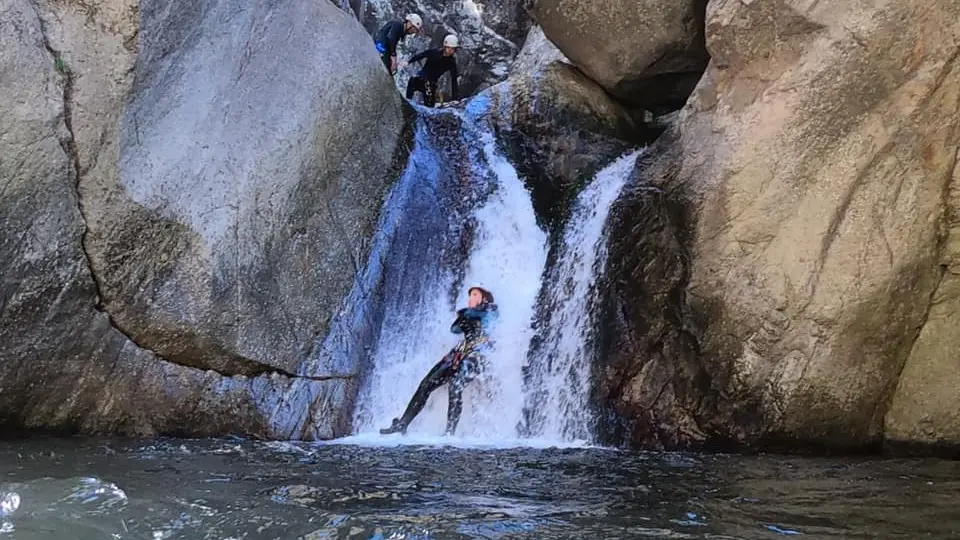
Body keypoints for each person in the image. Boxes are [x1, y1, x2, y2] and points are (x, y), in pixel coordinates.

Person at [380, 286, 498, 436]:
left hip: (479, 354)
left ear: (484, 298)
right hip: (460, 352)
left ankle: (449, 433)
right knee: (426, 384)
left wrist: (467, 314)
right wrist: (465, 316)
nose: (470, 299)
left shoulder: (491, 310)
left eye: (474, 295)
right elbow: (454, 329)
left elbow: (490, 323)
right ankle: (403, 423)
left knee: (456, 385)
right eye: (469, 296)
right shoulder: (467, 315)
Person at [402, 34, 460, 107]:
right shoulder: (434, 52)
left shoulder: (451, 62)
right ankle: (406, 105)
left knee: (429, 106)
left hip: (431, 84)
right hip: (421, 78)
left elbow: (454, 79)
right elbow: (421, 55)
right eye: (448, 48)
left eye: (452, 49)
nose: (450, 51)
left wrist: (455, 98)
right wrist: (408, 62)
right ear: (444, 47)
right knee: (412, 82)